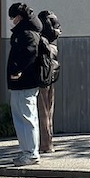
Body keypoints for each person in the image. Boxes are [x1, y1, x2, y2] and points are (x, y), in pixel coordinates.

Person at [6, 2, 42, 166]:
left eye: (13, 17)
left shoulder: (26, 33)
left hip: (24, 82)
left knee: (26, 118)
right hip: (23, 82)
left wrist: (17, 70)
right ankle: (27, 151)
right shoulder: (28, 31)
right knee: (24, 117)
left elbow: (28, 55)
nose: (12, 21)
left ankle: (31, 153)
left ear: (19, 17)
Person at [37, 10, 61, 154]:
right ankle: (49, 142)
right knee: (49, 110)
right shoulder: (54, 41)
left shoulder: (43, 41)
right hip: (52, 76)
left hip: (42, 78)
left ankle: (45, 144)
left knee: (42, 111)